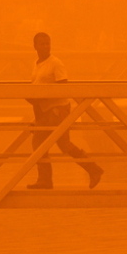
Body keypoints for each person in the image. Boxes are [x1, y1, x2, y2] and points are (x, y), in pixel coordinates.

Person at [26, 32, 103, 189]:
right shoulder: (36, 64)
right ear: (35, 46)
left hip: (57, 110)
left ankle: (45, 180)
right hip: (44, 111)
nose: (46, 46)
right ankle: (93, 169)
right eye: (42, 44)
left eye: (48, 43)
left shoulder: (56, 63)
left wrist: (40, 99)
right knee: (64, 145)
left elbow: (62, 88)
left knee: (39, 143)